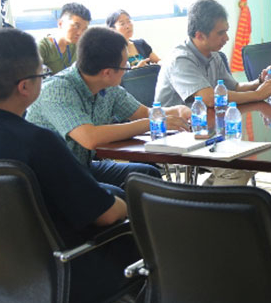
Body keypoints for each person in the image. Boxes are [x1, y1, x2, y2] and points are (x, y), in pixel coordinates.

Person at [0, 28, 140, 303]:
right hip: (57, 283)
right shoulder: (36, 142)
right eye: (42, 74)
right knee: (149, 244)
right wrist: (123, 202)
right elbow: (106, 214)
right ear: (25, 87)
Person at [26, 27, 191, 191]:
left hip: (81, 167)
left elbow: (143, 113)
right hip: (52, 178)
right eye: (125, 67)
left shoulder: (109, 87)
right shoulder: (57, 90)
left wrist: (176, 111)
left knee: (147, 174)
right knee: (116, 196)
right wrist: (150, 123)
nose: (126, 72)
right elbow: (89, 138)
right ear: (107, 72)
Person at [155, 0, 271, 108]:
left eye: (226, 31)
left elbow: (235, 88)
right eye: (221, 33)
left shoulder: (214, 54)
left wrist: (260, 81)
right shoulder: (180, 60)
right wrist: (258, 94)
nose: (227, 38)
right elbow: (209, 98)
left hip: (205, 121)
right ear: (200, 36)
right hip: (175, 125)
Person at [38, 2, 91, 74]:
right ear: (60, 24)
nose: (80, 33)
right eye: (76, 26)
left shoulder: (79, 45)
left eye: (84, 29)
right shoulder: (43, 47)